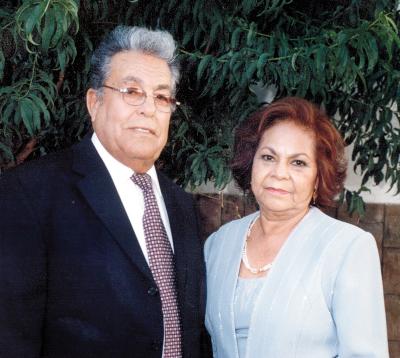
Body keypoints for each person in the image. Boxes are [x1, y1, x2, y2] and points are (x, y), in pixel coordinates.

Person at [0, 26, 206, 358]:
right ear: (94, 103)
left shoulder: (182, 206)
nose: (148, 109)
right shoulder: (29, 194)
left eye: (162, 96)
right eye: (132, 91)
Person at [204, 97, 389, 357]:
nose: (279, 173)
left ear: (318, 178)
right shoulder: (218, 244)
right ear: (251, 164)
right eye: (268, 157)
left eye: (298, 162)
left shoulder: (347, 248)